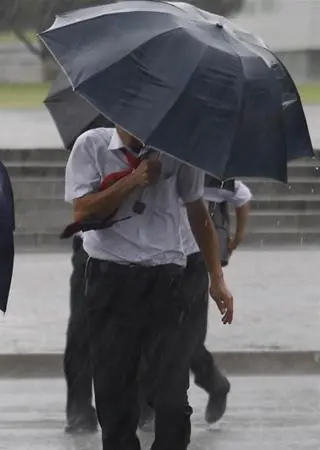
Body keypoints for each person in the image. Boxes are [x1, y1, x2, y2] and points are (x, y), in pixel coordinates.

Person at [64, 126, 234, 450]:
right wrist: (134, 179)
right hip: (110, 280)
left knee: (172, 400)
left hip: (166, 280)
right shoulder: (92, 146)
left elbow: (199, 214)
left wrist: (217, 279)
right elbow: (83, 211)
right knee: (115, 402)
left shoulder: (180, 148)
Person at [139, 177, 252, 430]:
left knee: (186, 339)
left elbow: (242, 196)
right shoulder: (155, 165)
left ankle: (213, 384)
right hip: (155, 258)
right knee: (150, 334)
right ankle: (147, 405)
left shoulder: (205, 173)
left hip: (193, 262)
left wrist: (237, 237)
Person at [63, 231, 98, 433]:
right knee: (79, 338)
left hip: (135, 249)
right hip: (90, 243)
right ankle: (80, 413)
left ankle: (146, 408)